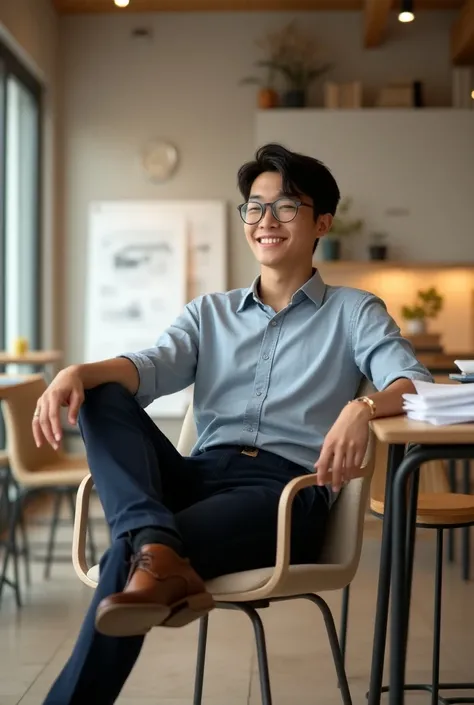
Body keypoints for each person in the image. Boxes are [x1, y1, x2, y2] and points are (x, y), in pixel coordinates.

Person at [34, 143, 432, 705]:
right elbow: (149, 367)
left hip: (283, 495)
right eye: (254, 207)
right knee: (100, 395)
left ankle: (148, 542)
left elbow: (414, 382)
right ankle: (153, 538)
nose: (266, 221)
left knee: (129, 557)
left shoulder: (354, 311)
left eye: (286, 207)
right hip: (197, 477)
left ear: (323, 221)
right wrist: (77, 371)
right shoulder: (208, 313)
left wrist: (361, 408)